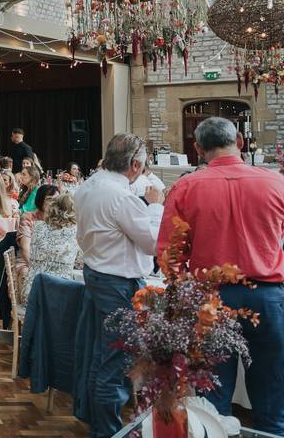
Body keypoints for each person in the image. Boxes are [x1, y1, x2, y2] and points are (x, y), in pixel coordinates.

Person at [158, 117, 284, 433]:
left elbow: (170, 256)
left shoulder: (186, 187)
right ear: (240, 142)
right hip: (268, 298)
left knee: (212, 401)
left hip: (210, 301)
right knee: (273, 394)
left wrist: (183, 297)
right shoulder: (275, 183)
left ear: (199, 149)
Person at [75, 133, 164, 438]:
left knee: (102, 356)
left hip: (97, 274)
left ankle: (97, 423)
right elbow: (152, 243)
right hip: (118, 284)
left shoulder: (89, 186)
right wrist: (154, 205)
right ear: (136, 165)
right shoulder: (121, 197)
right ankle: (108, 431)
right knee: (115, 360)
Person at [18, 192, 78, 303]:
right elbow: (80, 262)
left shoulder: (38, 226)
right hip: (61, 295)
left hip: (32, 294)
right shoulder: (76, 231)